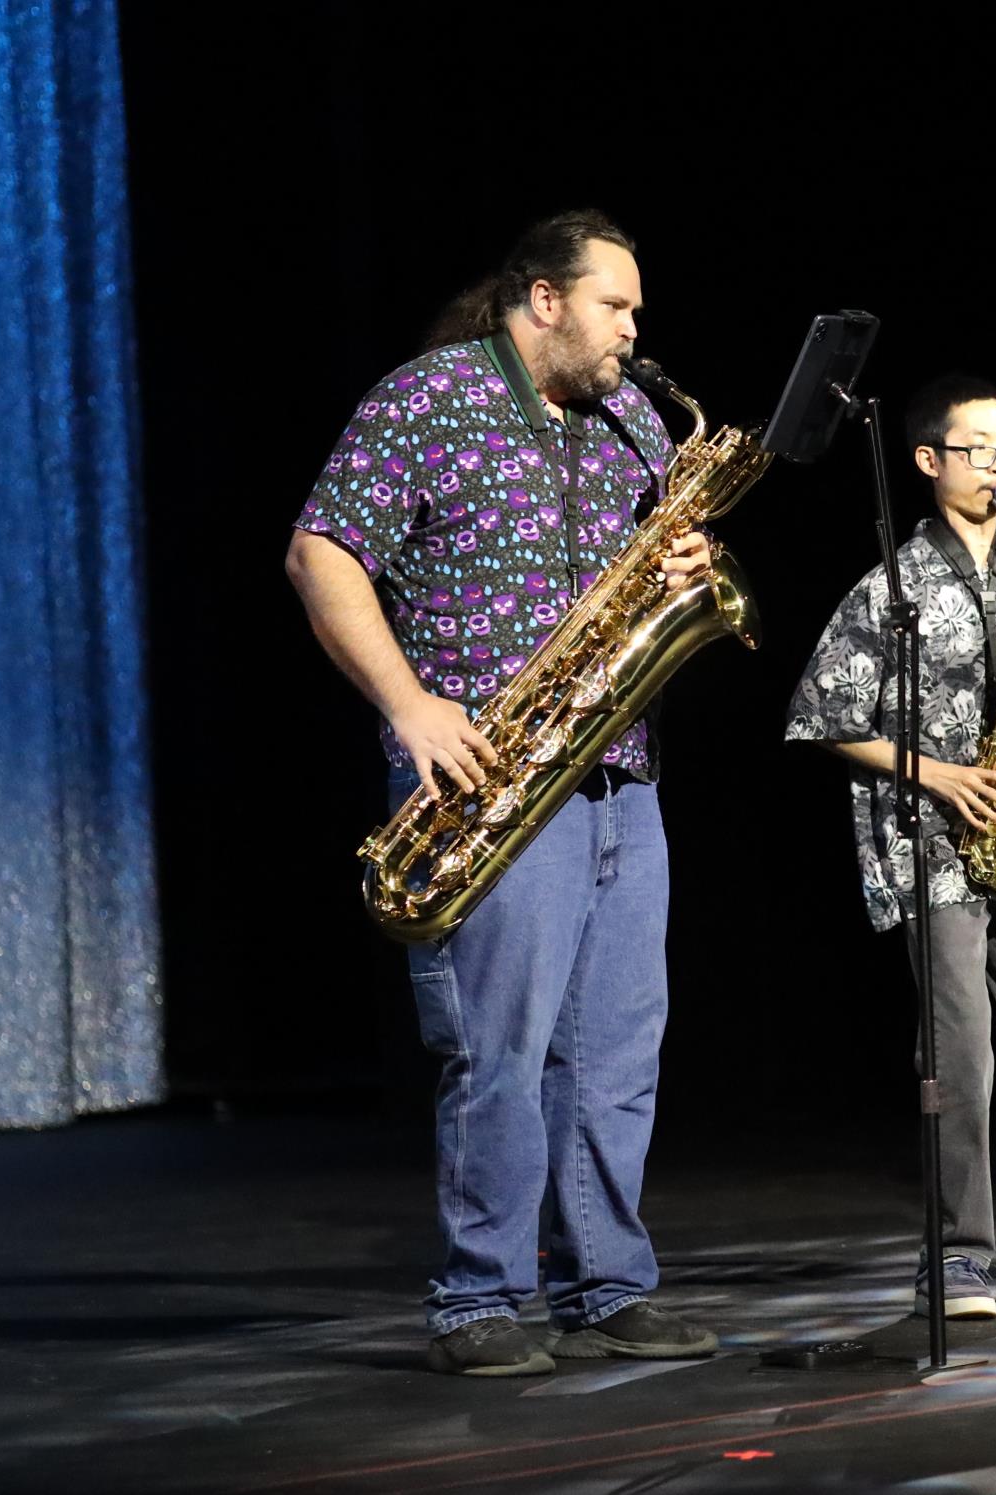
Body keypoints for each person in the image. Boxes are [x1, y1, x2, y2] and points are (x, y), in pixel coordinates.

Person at [284, 210, 718, 1376]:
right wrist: (409, 705)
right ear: (544, 299)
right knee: (500, 1053)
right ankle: (477, 1298)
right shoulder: (427, 401)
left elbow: (657, 574)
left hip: (621, 769)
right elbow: (321, 554)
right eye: (615, 306)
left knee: (616, 1053)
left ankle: (606, 1285)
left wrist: (684, 566)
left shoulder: (633, 422)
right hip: (489, 777)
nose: (633, 330)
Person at [785, 374, 996, 1319]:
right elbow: (820, 718)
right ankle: (961, 1252)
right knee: (963, 1059)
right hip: (931, 840)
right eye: (978, 450)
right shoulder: (889, 586)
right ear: (929, 460)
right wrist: (937, 774)